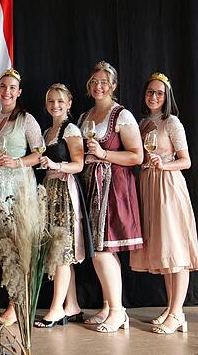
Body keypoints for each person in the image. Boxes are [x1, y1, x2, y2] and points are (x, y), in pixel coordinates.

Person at [78, 61, 143, 333]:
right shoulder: (85, 116)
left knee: (103, 250)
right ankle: (108, 305)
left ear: (113, 86)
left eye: (104, 81)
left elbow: (136, 156)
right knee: (99, 251)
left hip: (113, 188)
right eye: (94, 81)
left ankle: (118, 311)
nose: (98, 86)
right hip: (90, 185)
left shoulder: (121, 115)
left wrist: (104, 154)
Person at [130, 72, 196, 334]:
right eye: (150, 92)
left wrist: (164, 164)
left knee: (175, 249)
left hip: (168, 187)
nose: (154, 97)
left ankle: (178, 312)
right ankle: (171, 309)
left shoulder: (172, 123)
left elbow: (186, 161)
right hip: (149, 185)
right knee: (165, 250)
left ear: (166, 97)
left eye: (159, 93)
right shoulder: (144, 122)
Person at [0, 68, 43, 326]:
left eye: (11, 88)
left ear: (18, 93)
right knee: (3, 246)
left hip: (17, 186)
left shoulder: (26, 119)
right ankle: (14, 298)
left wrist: (18, 162)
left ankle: (15, 305)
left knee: (18, 244)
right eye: (3, 87)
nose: (6, 92)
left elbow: (39, 154)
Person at [34, 84, 91, 328]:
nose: (55, 105)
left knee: (62, 252)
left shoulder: (71, 129)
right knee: (58, 250)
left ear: (68, 104)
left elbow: (78, 164)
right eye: (51, 102)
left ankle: (56, 309)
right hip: (50, 191)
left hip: (65, 192)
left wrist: (56, 166)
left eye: (60, 101)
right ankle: (73, 305)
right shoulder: (48, 131)